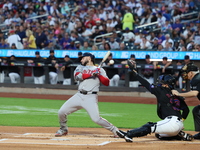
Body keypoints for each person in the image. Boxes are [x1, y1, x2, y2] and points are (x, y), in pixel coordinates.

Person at [116, 60, 193, 142]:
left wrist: (135, 72)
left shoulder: (161, 90)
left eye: (162, 83)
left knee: (150, 126)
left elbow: (146, 84)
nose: (160, 84)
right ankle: (179, 135)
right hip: (177, 125)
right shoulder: (177, 95)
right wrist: (181, 121)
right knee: (159, 135)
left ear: (167, 84)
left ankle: (128, 134)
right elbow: (186, 110)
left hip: (171, 123)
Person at [55, 52, 119, 137]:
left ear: (89, 58)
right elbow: (77, 77)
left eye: (83, 58)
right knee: (61, 112)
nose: (81, 60)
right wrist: (91, 74)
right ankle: (63, 129)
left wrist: (99, 74)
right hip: (79, 95)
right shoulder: (80, 67)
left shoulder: (100, 70)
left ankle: (116, 131)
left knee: (96, 119)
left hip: (91, 97)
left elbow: (106, 82)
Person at [172, 63, 200, 139]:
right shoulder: (197, 78)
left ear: (191, 73)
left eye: (187, 72)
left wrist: (179, 94)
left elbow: (194, 93)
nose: (185, 74)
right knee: (197, 110)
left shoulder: (197, 79)